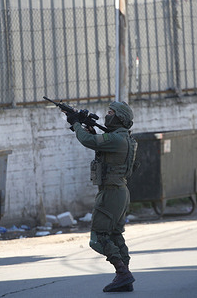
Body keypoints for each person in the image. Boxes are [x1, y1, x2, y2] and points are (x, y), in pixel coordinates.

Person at [65, 101, 138, 292]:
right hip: (119, 190)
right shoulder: (125, 138)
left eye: (111, 112)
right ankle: (124, 277)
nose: (107, 115)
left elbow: (89, 142)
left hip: (111, 192)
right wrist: (87, 128)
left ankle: (122, 273)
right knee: (115, 234)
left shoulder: (116, 139)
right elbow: (102, 146)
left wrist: (75, 124)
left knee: (99, 236)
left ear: (119, 117)